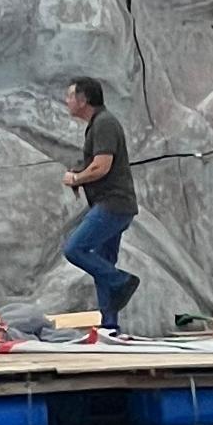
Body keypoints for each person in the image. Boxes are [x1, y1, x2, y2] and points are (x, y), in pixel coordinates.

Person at [60, 76, 140, 331]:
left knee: (75, 249)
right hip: (114, 205)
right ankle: (110, 327)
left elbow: (101, 166)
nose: (66, 100)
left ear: (83, 99)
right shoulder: (97, 124)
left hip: (112, 205)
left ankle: (122, 281)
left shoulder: (104, 124)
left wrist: (77, 178)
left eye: (70, 96)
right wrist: (80, 174)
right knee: (103, 263)